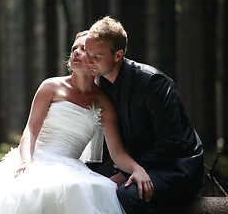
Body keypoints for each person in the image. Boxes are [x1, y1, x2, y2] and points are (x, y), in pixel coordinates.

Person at [0, 31, 153, 214]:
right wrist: (26, 162)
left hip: (70, 167)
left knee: (83, 189)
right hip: (36, 158)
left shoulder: (103, 103)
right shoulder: (51, 86)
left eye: (83, 49)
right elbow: (30, 130)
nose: (76, 53)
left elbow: (117, 153)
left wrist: (137, 169)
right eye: (74, 48)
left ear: (94, 58)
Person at [84, 16, 204, 213]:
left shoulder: (152, 83)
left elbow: (171, 143)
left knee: (126, 195)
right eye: (87, 53)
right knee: (85, 184)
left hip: (177, 167)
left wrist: (125, 173)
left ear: (118, 55)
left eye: (96, 56)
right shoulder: (102, 83)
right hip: (136, 162)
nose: (89, 60)